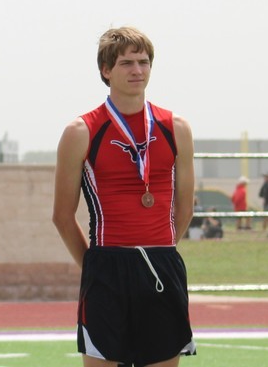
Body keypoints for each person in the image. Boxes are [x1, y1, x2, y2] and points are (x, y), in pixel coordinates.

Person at [52, 26, 196, 366]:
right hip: (106, 265)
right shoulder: (81, 131)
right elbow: (61, 215)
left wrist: (156, 248)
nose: (138, 71)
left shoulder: (176, 127)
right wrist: (93, 264)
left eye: (144, 62)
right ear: (106, 70)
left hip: (161, 262)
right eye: (127, 63)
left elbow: (185, 207)